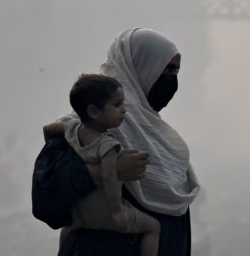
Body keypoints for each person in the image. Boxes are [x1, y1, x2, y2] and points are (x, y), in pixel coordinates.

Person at [47, 28, 200, 256]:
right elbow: (49, 189)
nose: (172, 80)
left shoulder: (156, 133)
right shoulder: (86, 124)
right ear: (141, 66)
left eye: (176, 70)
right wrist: (109, 170)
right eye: (166, 69)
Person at [44, 74, 161, 256]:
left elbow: (48, 129)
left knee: (68, 232)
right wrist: (117, 211)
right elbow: (109, 176)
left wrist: (54, 152)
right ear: (93, 112)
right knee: (153, 228)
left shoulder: (72, 128)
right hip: (104, 214)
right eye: (116, 105)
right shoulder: (108, 145)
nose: (124, 110)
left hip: (79, 212)